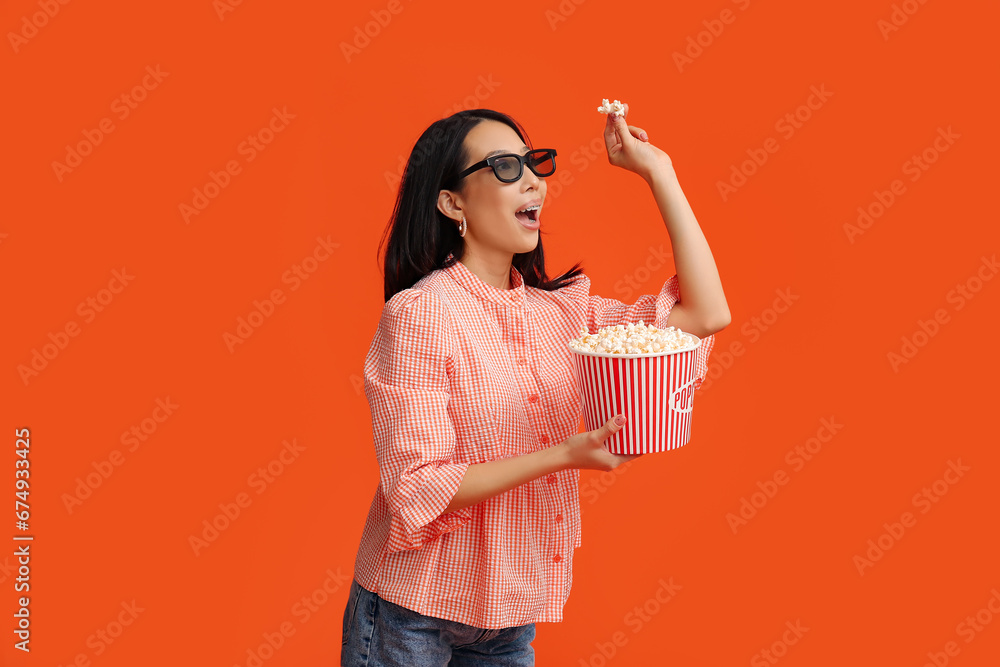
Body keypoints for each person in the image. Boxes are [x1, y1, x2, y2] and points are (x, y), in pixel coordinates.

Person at [341, 105, 730, 666]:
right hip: (410, 610)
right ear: (452, 203)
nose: (532, 181)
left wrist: (659, 171)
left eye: (532, 164)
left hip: (509, 614)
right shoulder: (420, 314)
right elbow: (416, 487)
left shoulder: (562, 313)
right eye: (503, 167)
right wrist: (566, 455)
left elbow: (705, 314)